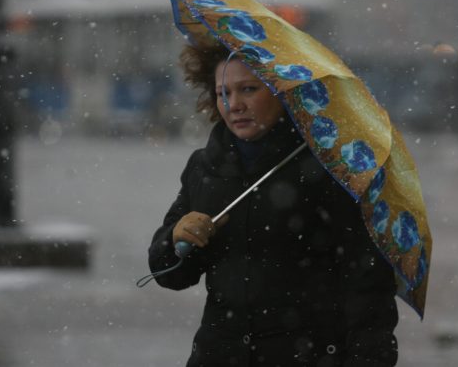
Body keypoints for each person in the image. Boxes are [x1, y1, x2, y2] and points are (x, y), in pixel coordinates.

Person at [148, 42, 399, 367]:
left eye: (248, 89)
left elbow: (368, 282)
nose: (233, 104)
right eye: (222, 92)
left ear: (282, 90)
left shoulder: (330, 169)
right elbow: (170, 275)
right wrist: (176, 239)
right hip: (219, 354)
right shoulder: (205, 167)